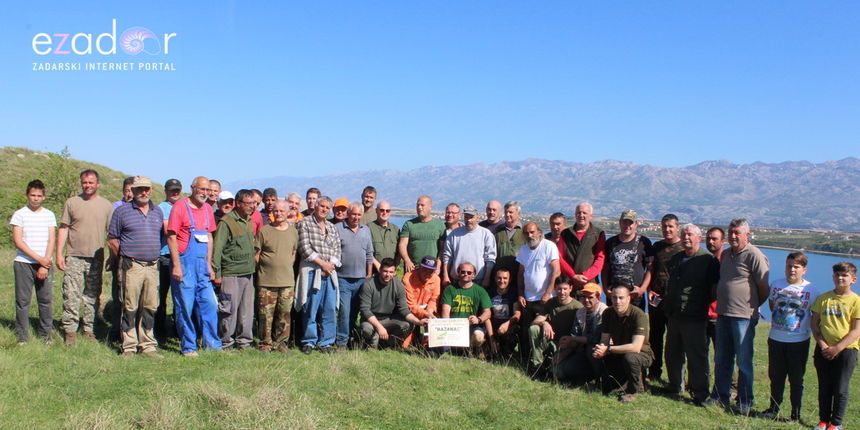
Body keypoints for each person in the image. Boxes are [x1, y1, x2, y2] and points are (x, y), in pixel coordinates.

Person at [711, 218, 770, 415]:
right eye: (731, 232)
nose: (733, 236)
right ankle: (720, 395)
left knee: (743, 361)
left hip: (743, 317)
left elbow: (763, 287)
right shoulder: (727, 254)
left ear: (747, 235)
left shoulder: (754, 255)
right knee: (721, 359)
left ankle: (744, 400)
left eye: (737, 233)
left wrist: (752, 306)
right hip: (723, 314)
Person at [662, 224, 719, 406]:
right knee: (672, 352)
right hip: (674, 314)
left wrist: (698, 304)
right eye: (684, 234)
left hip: (695, 316)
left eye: (690, 235)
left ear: (698, 238)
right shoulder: (678, 258)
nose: (686, 238)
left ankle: (700, 392)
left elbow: (713, 290)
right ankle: (674, 385)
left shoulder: (708, 260)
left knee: (697, 356)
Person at [760, 252, 821, 421]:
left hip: (798, 341)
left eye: (796, 267)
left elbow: (815, 316)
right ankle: (773, 408)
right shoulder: (776, 285)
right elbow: (773, 305)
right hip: (776, 339)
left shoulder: (812, 290)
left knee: (796, 379)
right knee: (776, 376)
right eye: (789, 266)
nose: (792, 270)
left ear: (804, 270)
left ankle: (795, 413)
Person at [107, 176, 165, 358]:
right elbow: (112, 239)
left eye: (146, 189)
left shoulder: (157, 212)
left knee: (150, 305)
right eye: (139, 189)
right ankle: (129, 346)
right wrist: (122, 259)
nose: (143, 192)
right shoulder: (122, 212)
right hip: (131, 265)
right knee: (129, 305)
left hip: (153, 266)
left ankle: (147, 344)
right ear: (132, 191)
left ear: (151, 190)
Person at [57, 169, 113, 346]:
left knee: (92, 296)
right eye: (85, 182)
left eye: (91, 182)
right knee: (71, 294)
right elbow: (64, 228)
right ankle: (70, 331)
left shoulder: (106, 206)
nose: (88, 185)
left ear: (98, 184)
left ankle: (88, 329)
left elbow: (111, 234)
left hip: (96, 257)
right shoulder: (72, 202)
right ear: (81, 183)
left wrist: (112, 256)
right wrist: (59, 254)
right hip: (74, 256)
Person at [166, 176, 222, 357]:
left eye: (207, 190)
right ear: (192, 188)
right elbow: (171, 237)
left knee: (209, 305)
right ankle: (189, 346)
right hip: (185, 263)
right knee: (185, 306)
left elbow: (209, 237)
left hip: (202, 266)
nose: (205, 193)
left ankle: (212, 345)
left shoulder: (207, 209)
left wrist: (209, 265)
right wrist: (176, 265)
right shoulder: (180, 207)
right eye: (201, 189)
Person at [811, 262, 860, 430]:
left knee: (840, 388)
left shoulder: (856, 301)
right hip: (823, 349)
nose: (840, 278)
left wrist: (837, 348)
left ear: (853, 279)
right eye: (837, 275)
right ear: (833, 277)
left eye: (844, 275)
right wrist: (824, 345)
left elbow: (856, 330)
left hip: (847, 351)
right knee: (825, 387)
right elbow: (815, 324)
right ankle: (823, 420)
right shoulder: (823, 298)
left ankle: (836, 424)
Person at [10, 179, 56, 344]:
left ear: (43, 197)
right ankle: (22, 336)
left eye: (39, 195)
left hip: (46, 264)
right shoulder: (19, 214)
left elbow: (52, 239)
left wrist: (44, 263)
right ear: (27, 195)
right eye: (32, 195)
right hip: (24, 262)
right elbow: (18, 241)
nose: (35, 198)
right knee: (23, 301)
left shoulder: (49, 215)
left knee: (45, 300)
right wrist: (38, 259)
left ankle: (46, 336)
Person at [593, 284, 654, 403]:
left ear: (628, 298)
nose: (617, 301)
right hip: (618, 352)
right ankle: (599, 380)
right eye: (614, 298)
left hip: (641, 354)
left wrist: (609, 349)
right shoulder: (608, 313)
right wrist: (600, 350)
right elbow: (604, 340)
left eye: (621, 298)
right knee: (607, 390)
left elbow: (635, 347)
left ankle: (635, 391)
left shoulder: (638, 315)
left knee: (630, 358)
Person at [212, 189, 257, 350]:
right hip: (230, 272)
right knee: (228, 309)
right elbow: (217, 249)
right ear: (238, 204)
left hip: (247, 272)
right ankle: (226, 341)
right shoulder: (227, 222)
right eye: (248, 203)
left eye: (253, 203)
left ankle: (244, 341)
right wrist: (217, 273)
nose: (252, 206)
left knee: (246, 310)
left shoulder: (248, 221)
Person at [296, 196, 341, 354]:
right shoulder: (305, 223)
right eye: (322, 206)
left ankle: (326, 342)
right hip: (311, 271)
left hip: (329, 272)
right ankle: (309, 340)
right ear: (315, 206)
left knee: (328, 308)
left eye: (327, 208)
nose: (324, 210)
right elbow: (304, 247)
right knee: (311, 307)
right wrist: (322, 264)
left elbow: (337, 249)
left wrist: (330, 265)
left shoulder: (332, 227)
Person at [254, 200, 298, 353]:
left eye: (282, 211)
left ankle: (281, 344)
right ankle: (265, 344)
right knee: (266, 316)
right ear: (272, 212)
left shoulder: (293, 232)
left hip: (286, 281)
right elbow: (256, 255)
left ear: (288, 213)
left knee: (284, 315)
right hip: (266, 281)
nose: (279, 214)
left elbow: (293, 253)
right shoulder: (264, 231)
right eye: (276, 211)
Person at [646, 214, 684, 381]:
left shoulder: (684, 247)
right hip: (657, 300)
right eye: (664, 226)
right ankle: (654, 373)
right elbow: (650, 271)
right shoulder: (657, 247)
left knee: (676, 340)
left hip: (676, 302)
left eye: (670, 226)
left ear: (677, 227)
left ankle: (677, 378)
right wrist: (648, 289)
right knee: (655, 337)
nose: (667, 230)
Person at [359, 258, 428, 349]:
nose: (388, 275)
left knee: (408, 325)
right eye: (385, 271)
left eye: (391, 272)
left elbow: (404, 310)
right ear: (380, 270)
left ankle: (387, 344)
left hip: (388, 319)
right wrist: (379, 327)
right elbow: (365, 310)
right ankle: (372, 342)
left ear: (395, 272)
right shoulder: (368, 284)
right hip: (371, 320)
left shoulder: (398, 285)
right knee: (366, 329)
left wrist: (419, 322)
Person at [334, 202, 373, 351]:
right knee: (344, 311)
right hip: (343, 278)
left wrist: (368, 274)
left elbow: (369, 254)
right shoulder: (338, 228)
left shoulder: (366, 230)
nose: (356, 217)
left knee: (355, 311)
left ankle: (351, 337)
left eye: (359, 215)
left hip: (361, 279)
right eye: (353, 214)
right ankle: (342, 342)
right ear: (348, 214)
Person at [526, 276, 582, 377]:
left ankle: (551, 367)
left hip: (568, 345)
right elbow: (535, 322)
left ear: (570, 288)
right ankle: (537, 365)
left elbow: (580, 335)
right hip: (551, 340)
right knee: (534, 329)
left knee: (557, 373)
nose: (562, 292)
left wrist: (567, 350)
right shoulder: (551, 302)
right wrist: (544, 323)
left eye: (565, 289)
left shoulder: (577, 307)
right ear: (555, 288)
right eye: (559, 289)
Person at [553, 282, 607, 385]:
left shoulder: (605, 312)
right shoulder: (580, 312)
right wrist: (565, 351)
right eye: (584, 297)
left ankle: (601, 380)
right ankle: (587, 378)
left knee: (592, 349)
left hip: (603, 352)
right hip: (582, 350)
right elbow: (575, 334)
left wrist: (573, 339)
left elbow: (596, 338)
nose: (586, 300)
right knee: (565, 368)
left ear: (598, 298)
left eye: (590, 297)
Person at [602, 209, 653, 309]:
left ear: (636, 224)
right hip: (615, 296)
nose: (627, 225)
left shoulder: (643, 242)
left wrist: (642, 289)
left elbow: (650, 269)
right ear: (620, 223)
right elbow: (605, 267)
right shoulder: (610, 243)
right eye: (624, 222)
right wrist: (604, 288)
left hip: (635, 296)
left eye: (630, 223)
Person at [441, 262, 493, 358]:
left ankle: (472, 350)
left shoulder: (480, 291)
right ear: (458, 273)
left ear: (474, 275)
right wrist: (447, 327)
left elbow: (488, 312)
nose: (466, 274)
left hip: (472, 327)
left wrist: (478, 319)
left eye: (469, 273)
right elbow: (445, 311)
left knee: (478, 336)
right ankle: (458, 349)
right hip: (454, 327)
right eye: (463, 272)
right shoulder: (450, 289)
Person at [516, 222, 560, 331]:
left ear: (539, 232)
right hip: (528, 299)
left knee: (544, 331)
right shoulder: (523, 250)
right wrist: (521, 294)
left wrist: (548, 293)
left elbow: (556, 271)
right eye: (526, 233)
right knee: (527, 331)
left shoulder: (548, 246)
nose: (530, 236)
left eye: (532, 232)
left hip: (544, 299)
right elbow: (521, 274)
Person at [441, 205, 496, 287]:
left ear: (478, 217)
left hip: (478, 281)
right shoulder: (454, 234)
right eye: (466, 217)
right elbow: (447, 257)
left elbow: (490, 259)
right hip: (457, 280)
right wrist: (445, 276)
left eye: (471, 217)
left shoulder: (486, 234)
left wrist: (487, 278)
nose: (468, 220)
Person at [155, 178, 182, 340]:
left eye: (177, 190)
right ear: (166, 191)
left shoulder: (183, 206)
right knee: (161, 296)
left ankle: (178, 330)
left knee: (180, 297)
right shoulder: (161, 208)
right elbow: (167, 229)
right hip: (165, 256)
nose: (175, 193)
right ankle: (160, 330)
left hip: (181, 256)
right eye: (172, 190)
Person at [558, 202, 605, 290]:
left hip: (589, 283)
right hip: (569, 283)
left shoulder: (598, 234)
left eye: (584, 213)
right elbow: (560, 258)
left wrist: (585, 276)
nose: (581, 215)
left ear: (591, 216)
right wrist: (573, 275)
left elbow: (600, 258)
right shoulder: (565, 233)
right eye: (578, 213)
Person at [398, 195, 446, 272]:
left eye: (422, 205)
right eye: (418, 205)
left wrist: (438, 264)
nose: (419, 207)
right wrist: (407, 260)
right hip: (413, 269)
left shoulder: (439, 225)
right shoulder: (409, 224)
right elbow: (402, 244)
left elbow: (442, 248)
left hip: (432, 270)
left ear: (430, 207)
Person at [402, 256, 441, 348]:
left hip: (427, 311)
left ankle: (426, 344)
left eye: (431, 271)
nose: (427, 273)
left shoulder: (436, 279)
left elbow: (434, 299)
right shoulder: (407, 278)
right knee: (404, 346)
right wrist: (425, 314)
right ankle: (414, 336)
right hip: (409, 312)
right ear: (419, 267)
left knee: (434, 322)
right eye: (425, 269)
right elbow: (410, 305)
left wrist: (430, 311)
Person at [486, 268, 521, 357]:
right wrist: (491, 337)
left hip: (508, 325)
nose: (502, 281)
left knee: (515, 329)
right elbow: (487, 315)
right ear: (495, 279)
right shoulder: (490, 293)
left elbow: (517, 314)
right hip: (493, 325)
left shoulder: (514, 292)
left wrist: (507, 324)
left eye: (505, 278)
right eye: (499, 278)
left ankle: (508, 352)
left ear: (510, 279)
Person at [493, 201, 526, 283]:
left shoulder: (525, 232)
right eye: (506, 212)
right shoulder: (498, 232)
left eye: (510, 212)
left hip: (518, 276)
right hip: (500, 278)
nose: (507, 215)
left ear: (518, 213)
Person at [705, 226, 726, 348]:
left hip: (719, 317)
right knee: (700, 355)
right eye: (708, 239)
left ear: (722, 241)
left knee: (722, 355)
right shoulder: (702, 260)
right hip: (702, 315)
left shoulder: (727, 262)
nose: (710, 242)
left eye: (714, 239)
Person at [368, 200, 399, 271]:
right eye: (382, 210)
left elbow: (399, 252)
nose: (385, 213)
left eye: (387, 211)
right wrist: (377, 265)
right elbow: (365, 250)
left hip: (390, 273)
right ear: (376, 211)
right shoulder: (368, 228)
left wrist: (395, 267)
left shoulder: (396, 229)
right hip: (374, 271)